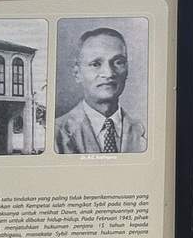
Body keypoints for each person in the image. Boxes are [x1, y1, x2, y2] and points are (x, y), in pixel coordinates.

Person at [55, 26, 147, 154]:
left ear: (127, 70)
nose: (109, 73)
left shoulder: (146, 130)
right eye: (96, 64)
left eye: (118, 62)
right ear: (77, 73)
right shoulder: (56, 133)